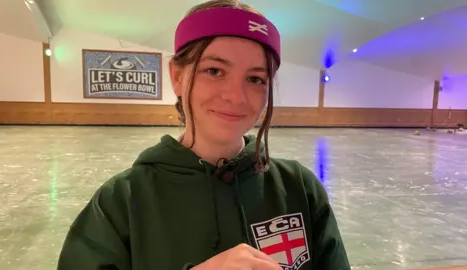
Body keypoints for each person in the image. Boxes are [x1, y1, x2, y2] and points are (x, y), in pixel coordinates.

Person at [57, 0, 351, 269]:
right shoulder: (122, 202)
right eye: (214, 71)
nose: (236, 97)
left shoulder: (298, 189)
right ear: (177, 76)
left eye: (255, 79)